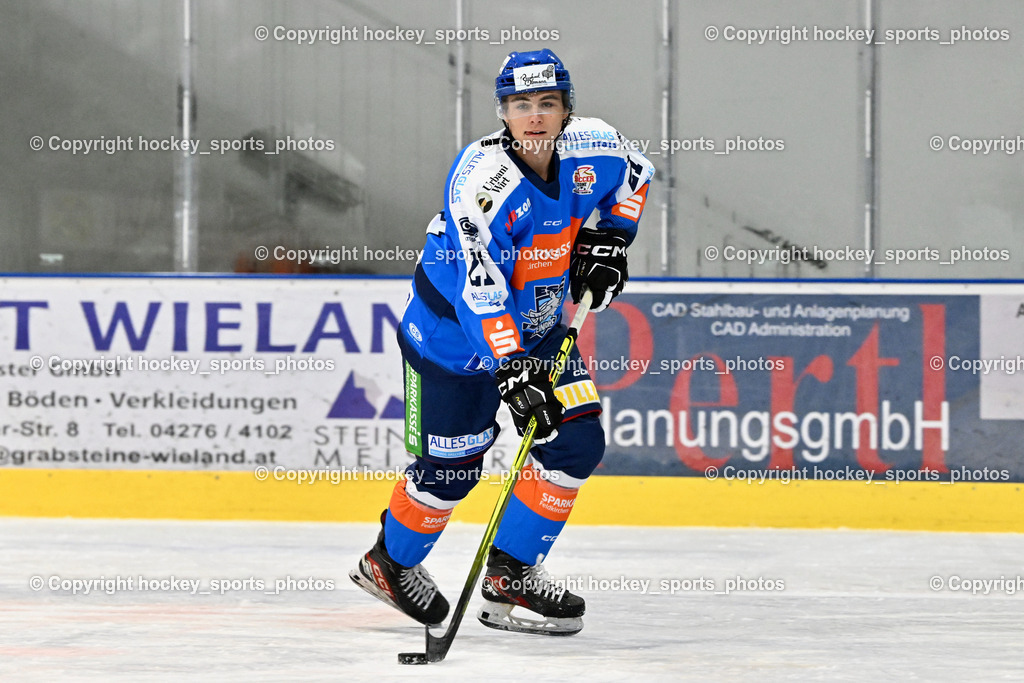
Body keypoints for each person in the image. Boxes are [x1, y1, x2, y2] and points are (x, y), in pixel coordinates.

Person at [350, 48, 654, 636]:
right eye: (521, 104)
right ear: (503, 112)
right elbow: (479, 286)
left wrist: (612, 239)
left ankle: (511, 571)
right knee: (452, 470)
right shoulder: (483, 182)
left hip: (539, 327)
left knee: (577, 442)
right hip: (451, 341)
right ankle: (389, 564)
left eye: (548, 103)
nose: (535, 116)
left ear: (567, 109)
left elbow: (636, 175)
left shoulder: (596, 146)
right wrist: (511, 367)